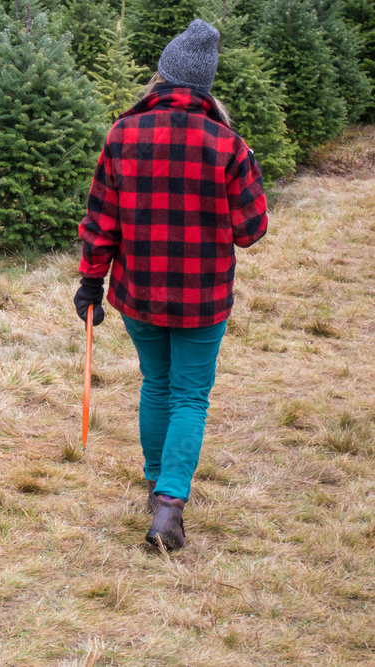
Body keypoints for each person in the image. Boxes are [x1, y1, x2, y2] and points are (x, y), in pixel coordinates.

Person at [73, 19, 268, 551]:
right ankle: (168, 506)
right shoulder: (228, 145)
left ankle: (156, 484)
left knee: (156, 385)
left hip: (138, 292)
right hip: (203, 298)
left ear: (161, 76)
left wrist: (91, 283)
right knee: (189, 396)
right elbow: (252, 231)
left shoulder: (122, 133)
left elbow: (100, 221)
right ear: (206, 84)